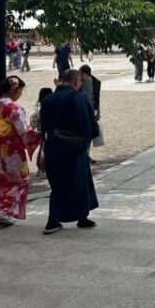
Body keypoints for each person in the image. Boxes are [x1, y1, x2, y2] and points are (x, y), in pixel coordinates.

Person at [40, 69, 99, 235]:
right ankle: (82, 217)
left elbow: (43, 126)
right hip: (74, 147)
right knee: (79, 182)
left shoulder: (48, 99)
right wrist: (85, 142)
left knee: (57, 184)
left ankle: (53, 220)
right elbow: (88, 125)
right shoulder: (78, 98)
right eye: (80, 81)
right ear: (75, 81)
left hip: (53, 147)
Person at [0, 75, 41, 226]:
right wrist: (40, 135)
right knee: (19, 179)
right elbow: (24, 132)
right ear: (13, 90)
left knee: (2, 180)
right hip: (12, 149)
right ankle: (5, 212)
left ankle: (3, 209)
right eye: (20, 90)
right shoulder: (14, 109)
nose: (21, 94)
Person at [30, 87, 53, 173]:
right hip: (50, 131)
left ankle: (40, 168)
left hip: (40, 131)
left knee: (42, 149)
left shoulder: (37, 108)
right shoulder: (51, 106)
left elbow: (32, 123)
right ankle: (44, 168)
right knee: (46, 150)